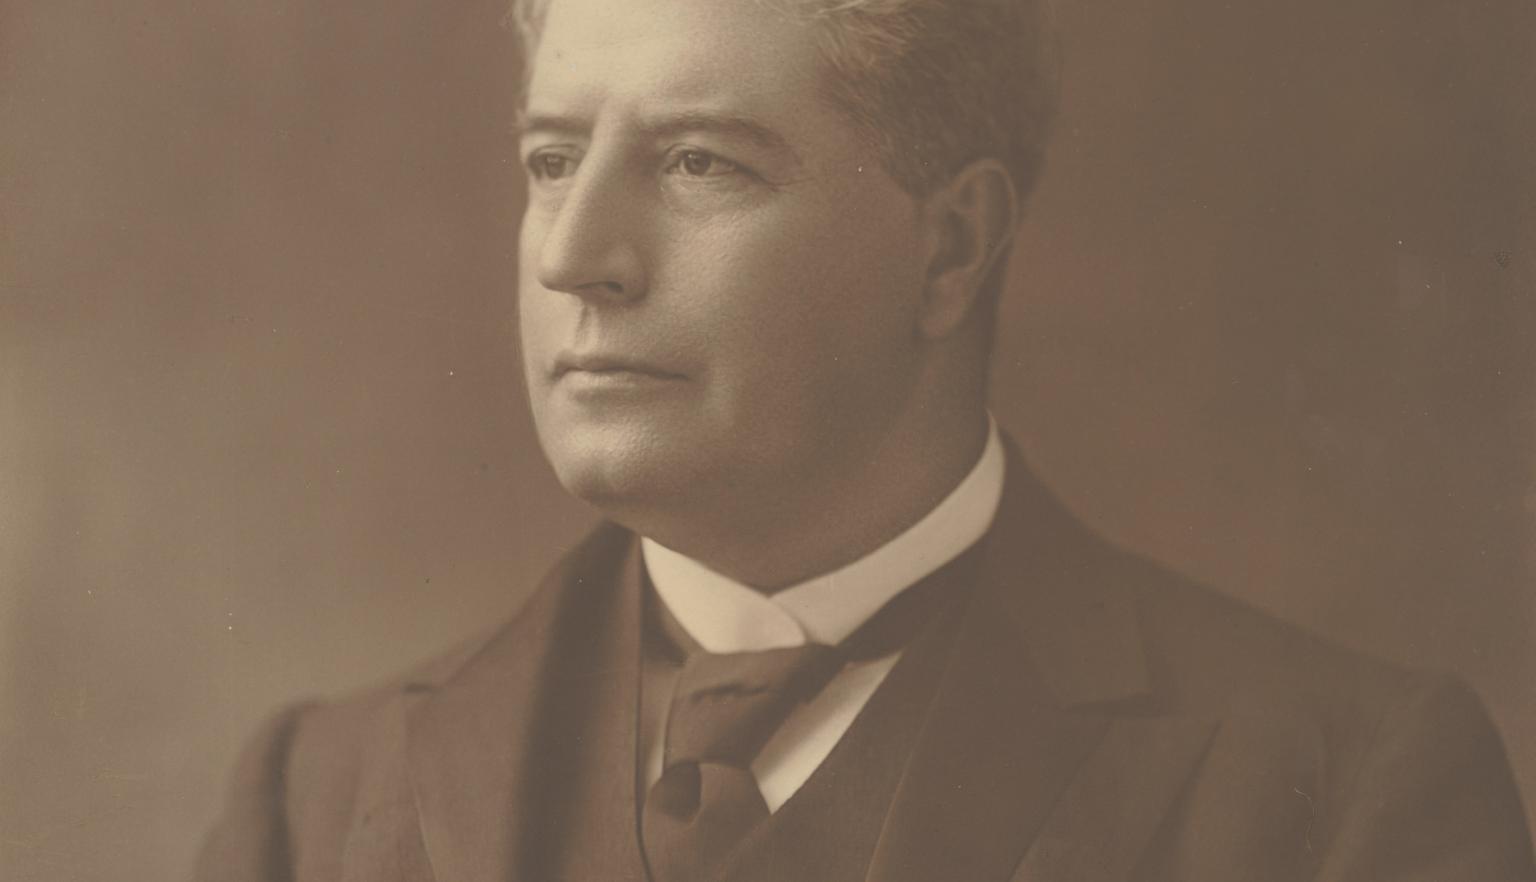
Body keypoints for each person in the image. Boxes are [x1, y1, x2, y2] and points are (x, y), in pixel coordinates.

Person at [195, 0, 1535, 879]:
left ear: (950, 244)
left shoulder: (1342, 797)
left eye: (699, 162)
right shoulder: (312, 804)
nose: (578, 255)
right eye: (551, 160)